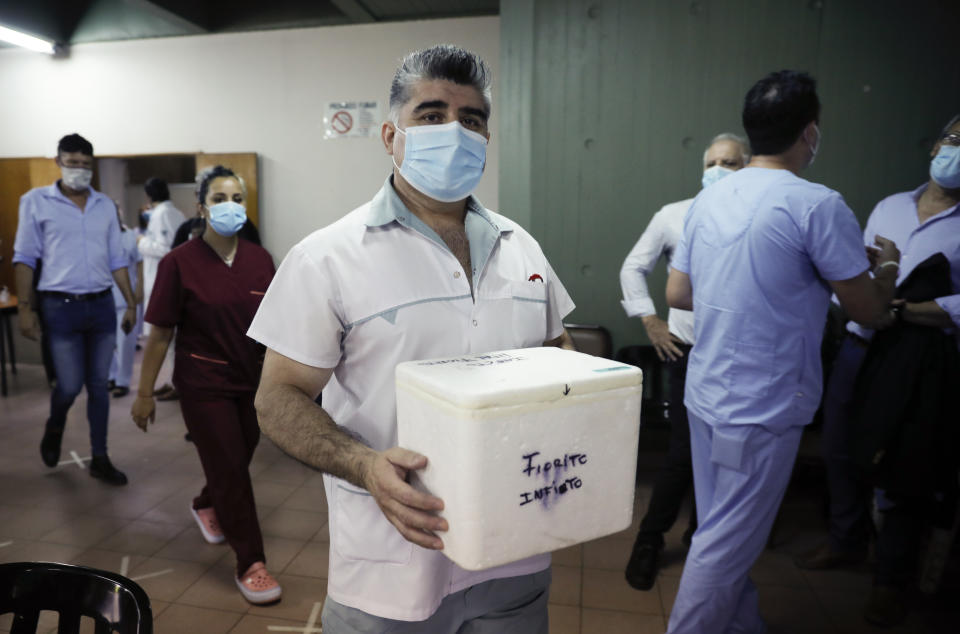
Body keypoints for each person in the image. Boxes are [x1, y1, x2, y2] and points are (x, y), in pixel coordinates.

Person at [250, 44, 575, 633]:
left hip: (514, 557)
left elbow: (559, 358)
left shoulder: (521, 247)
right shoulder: (328, 257)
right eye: (431, 115)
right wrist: (363, 464)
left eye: (471, 120)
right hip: (389, 571)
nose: (454, 131)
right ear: (390, 135)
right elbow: (276, 399)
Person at [663, 70, 902, 633]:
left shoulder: (711, 199)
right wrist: (886, 267)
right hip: (763, 407)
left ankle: (742, 625)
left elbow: (678, 293)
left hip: (708, 395)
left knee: (724, 529)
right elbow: (868, 311)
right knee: (724, 542)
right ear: (810, 133)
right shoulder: (817, 205)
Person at [795, 113, 960, 626]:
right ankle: (846, 541)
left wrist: (906, 311)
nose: (955, 152)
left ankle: (890, 580)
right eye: (955, 140)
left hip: (921, 357)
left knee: (908, 468)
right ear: (935, 145)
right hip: (861, 346)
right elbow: (855, 271)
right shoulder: (890, 206)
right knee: (841, 448)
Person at [130, 165, 279, 604]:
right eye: (218, 198)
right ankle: (251, 562)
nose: (229, 206)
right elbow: (159, 333)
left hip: (252, 381)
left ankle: (204, 504)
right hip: (203, 381)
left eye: (237, 198)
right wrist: (143, 394)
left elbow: (274, 325)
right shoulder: (180, 263)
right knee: (231, 466)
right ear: (201, 207)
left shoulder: (260, 258)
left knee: (236, 459)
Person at [620, 132, 750, 591]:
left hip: (738, 356)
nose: (719, 169)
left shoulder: (758, 217)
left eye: (730, 162)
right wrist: (651, 320)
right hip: (688, 352)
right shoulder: (675, 215)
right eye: (712, 162)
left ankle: (703, 542)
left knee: (727, 456)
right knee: (681, 454)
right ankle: (650, 542)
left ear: (748, 166)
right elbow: (633, 266)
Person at [13, 133, 136, 485]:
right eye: (72, 162)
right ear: (59, 162)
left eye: (86, 164)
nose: (79, 170)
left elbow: (117, 258)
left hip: (100, 306)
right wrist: (25, 308)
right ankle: (55, 425)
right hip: (59, 307)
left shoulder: (104, 206)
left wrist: (131, 301)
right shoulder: (35, 202)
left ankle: (100, 457)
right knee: (68, 385)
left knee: (99, 385)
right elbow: (25, 258)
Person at [138, 177, 185, 400]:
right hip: (163, 279)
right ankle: (171, 380)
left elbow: (168, 249)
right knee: (169, 338)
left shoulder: (163, 214)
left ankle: (178, 383)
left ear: (149, 195)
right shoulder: (171, 213)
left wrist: (141, 242)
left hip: (163, 280)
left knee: (168, 337)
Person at [107, 207, 143, 398]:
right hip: (104, 297)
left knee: (125, 342)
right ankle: (111, 375)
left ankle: (123, 380)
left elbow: (139, 262)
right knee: (107, 342)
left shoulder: (129, 235)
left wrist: (139, 289)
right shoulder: (100, 236)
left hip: (126, 297)